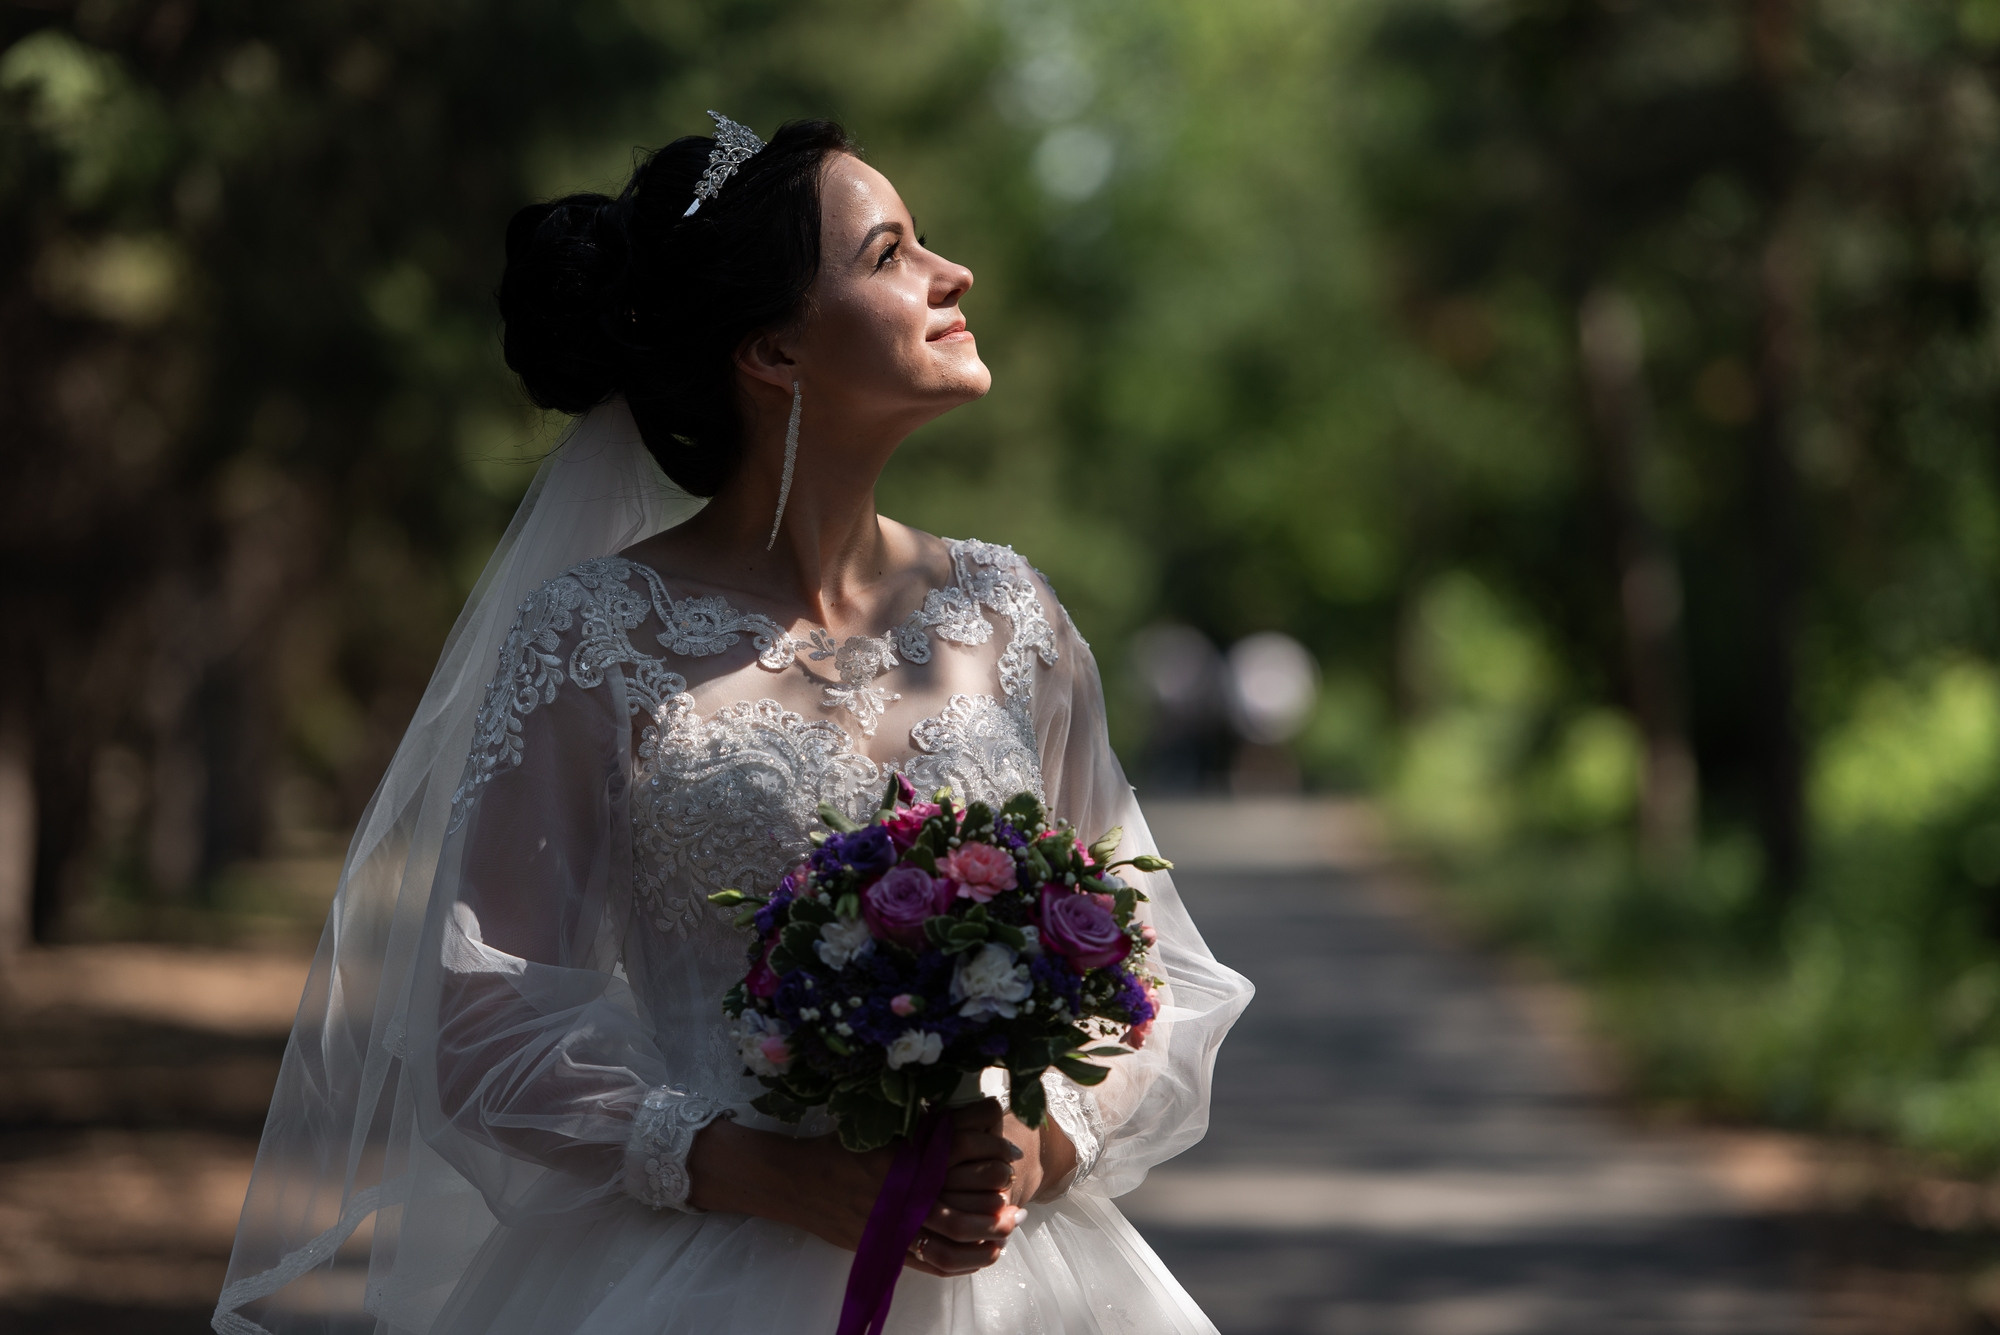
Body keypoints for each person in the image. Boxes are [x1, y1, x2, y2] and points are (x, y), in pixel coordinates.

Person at [214, 113, 1252, 1335]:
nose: (951, 272)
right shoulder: (596, 635)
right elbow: (486, 1018)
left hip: (1016, 1281)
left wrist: (1041, 1144)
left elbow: (1139, 962)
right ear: (772, 351)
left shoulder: (1005, 614)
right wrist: (775, 1174)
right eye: (888, 253)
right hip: (706, 1272)